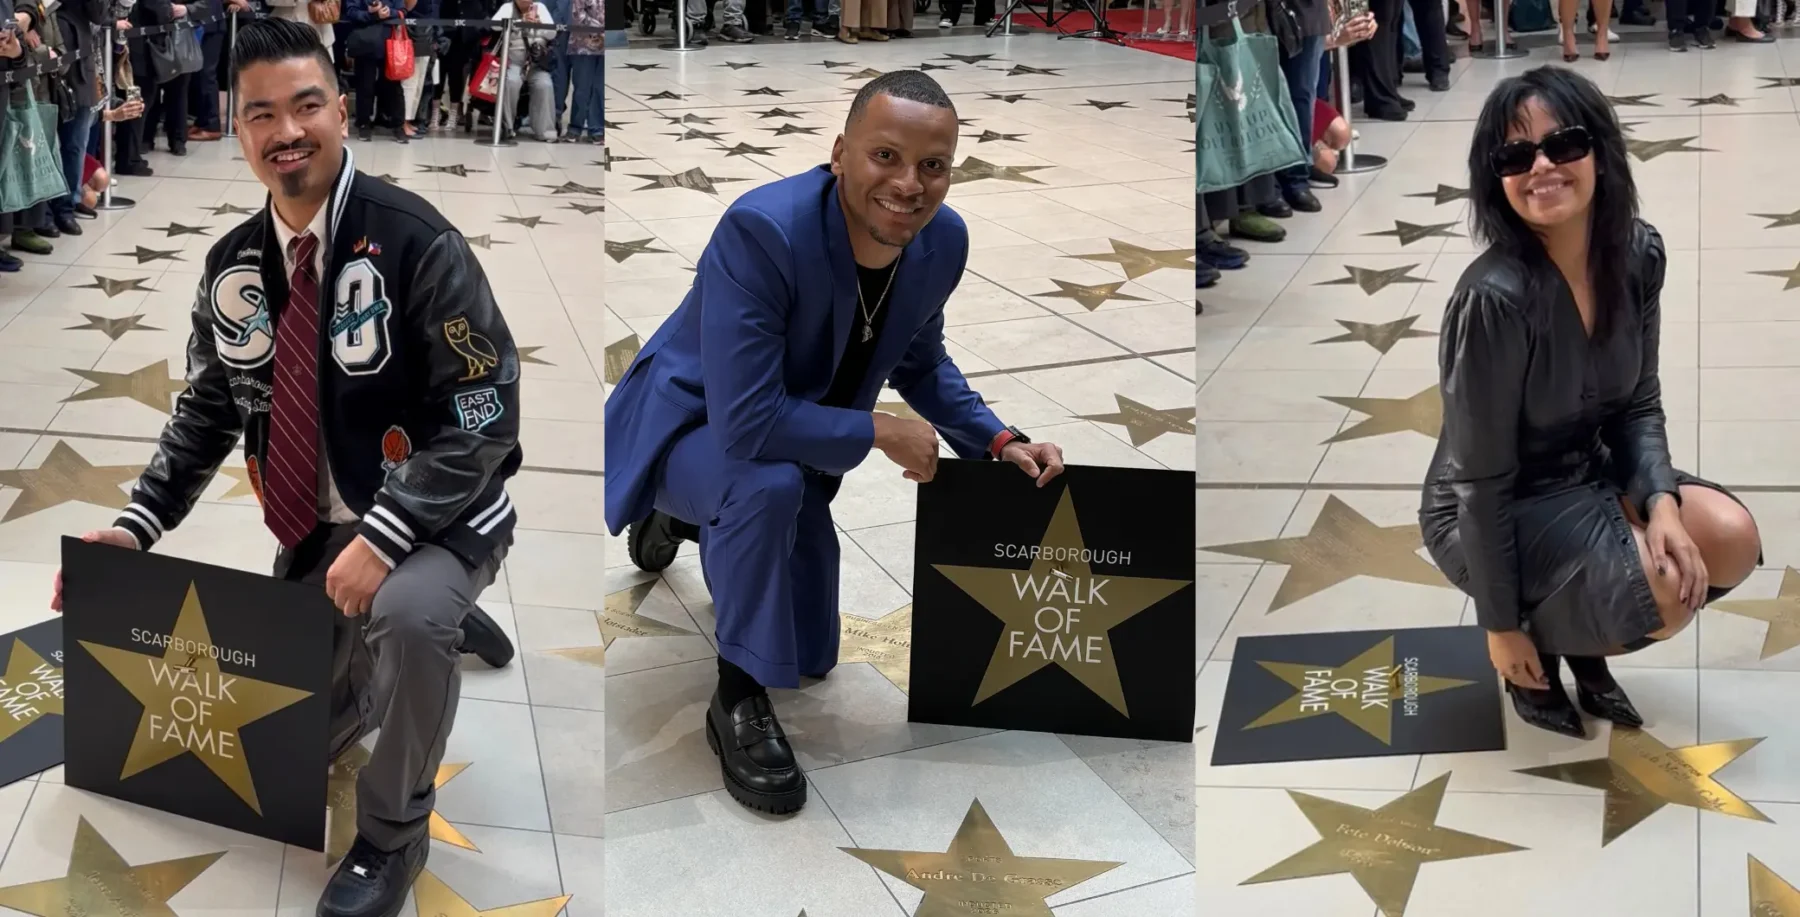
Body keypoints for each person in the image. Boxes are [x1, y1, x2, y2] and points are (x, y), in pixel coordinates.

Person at [48, 18, 522, 917]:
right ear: (240, 131)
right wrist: (137, 523)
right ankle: (438, 614)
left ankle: (393, 833)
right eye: (262, 114)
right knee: (310, 733)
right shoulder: (234, 267)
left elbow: (485, 408)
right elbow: (209, 407)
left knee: (410, 621)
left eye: (307, 105)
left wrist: (388, 538)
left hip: (438, 511)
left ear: (343, 111)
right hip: (315, 529)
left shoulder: (418, 241)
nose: (287, 131)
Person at [605, 71, 1065, 816]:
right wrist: (879, 429)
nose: (910, 184)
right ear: (840, 152)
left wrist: (999, 438)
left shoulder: (940, 240)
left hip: (787, 434)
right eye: (886, 156)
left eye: (933, 165)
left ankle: (693, 522)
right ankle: (737, 699)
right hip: (692, 425)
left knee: (812, 655)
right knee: (766, 488)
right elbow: (747, 422)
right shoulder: (763, 230)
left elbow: (921, 360)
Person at [1421, 66, 1762, 739]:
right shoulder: (1492, 299)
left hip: (1587, 468)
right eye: (1516, 155)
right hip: (1494, 505)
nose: (1542, 166)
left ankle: (1584, 635)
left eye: (1564, 144)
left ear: (1601, 153)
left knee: (1727, 539)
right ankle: (1544, 645)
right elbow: (1481, 482)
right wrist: (1501, 626)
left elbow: (1639, 402)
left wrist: (1660, 501)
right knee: (1660, 592)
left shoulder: (1636, 254)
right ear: (1498, 179)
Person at [490, 0, 554, 141]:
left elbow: (552, 34)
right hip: (514, 62)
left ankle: (544, 131)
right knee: (511, 82)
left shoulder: (541, 8)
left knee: (544, 84)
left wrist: (540, 24)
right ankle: (507, 127)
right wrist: (519, 22)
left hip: (536, 64)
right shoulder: (508, 8)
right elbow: (494, 25)